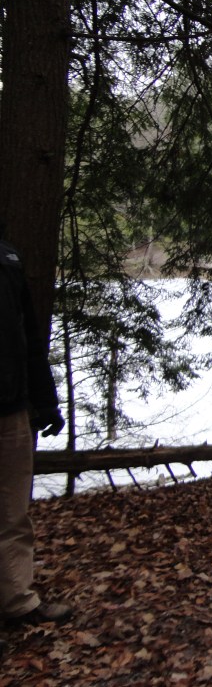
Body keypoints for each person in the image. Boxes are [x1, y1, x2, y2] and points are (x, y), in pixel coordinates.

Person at [0, 228, 72, 640]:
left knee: (13, 513)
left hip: (10, 409)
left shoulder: (8, 258)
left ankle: (18, 602)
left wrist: (45, 402)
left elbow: (29, 340)